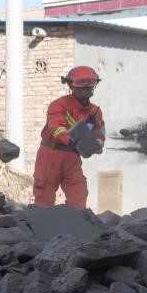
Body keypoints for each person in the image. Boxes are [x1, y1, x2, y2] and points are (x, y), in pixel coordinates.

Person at [32, 65, 105, 209]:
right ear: (71, 86)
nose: (84, 90)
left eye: (87, 87)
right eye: (80, 87)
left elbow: (100, 135)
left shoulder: (95, 111)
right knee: (44, 191)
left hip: (72, 157)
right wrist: (69, 139)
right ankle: (41, 225)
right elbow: (56, 127)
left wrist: (95, 146)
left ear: (93, 87)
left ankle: (78, 225)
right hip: (51, 154)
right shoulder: (59, 105)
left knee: (78, 192)